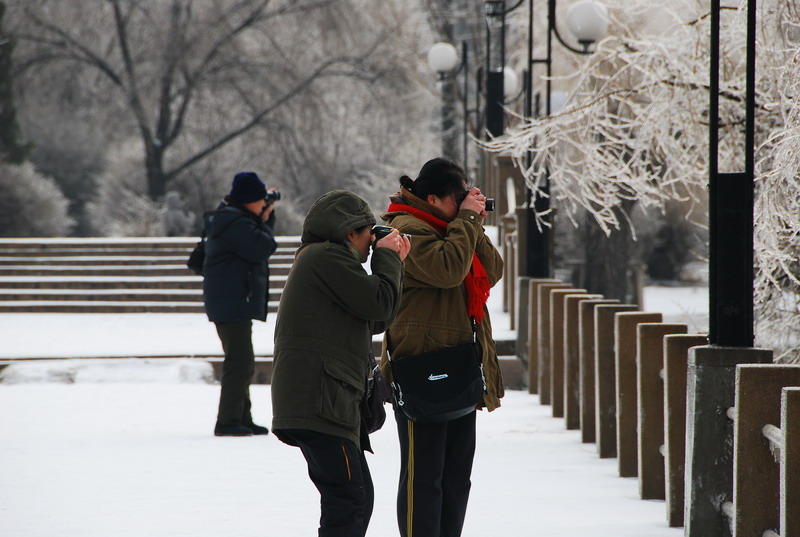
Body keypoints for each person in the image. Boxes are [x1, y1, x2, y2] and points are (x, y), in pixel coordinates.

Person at [271, 190, 410, 537]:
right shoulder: (326, 257)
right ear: (350, 232)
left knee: (355, 497)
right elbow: (379, 305)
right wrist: (388, 258)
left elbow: (374, 318)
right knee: (349, 500)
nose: (370, 241)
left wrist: (392, 261)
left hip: (324, 401)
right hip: (321, 403)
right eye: (368, 231)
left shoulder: (323, 260)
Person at [380, 157, 505, 537]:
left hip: (460, 362)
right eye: (458, 198)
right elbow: (447, 270)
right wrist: (465, 222)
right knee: (424, 478)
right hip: (423, 367)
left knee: (456, 479)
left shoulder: (451, 227)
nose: (464, 204)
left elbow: (493, 269)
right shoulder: (406, 230)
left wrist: (471, 222)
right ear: (432, 198)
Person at [202, 171, 278, 437]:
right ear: (248, 200)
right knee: (239, 360)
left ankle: (242, 417)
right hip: (230, 300)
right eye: (260, 200)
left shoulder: (233, 217)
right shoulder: (235, 222)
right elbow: (263, 247)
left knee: (243, 360)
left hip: (230, 299)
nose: (263, 204)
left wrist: (262, 217)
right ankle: (228, 421)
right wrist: (266, 221)